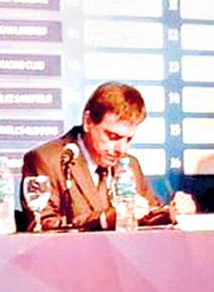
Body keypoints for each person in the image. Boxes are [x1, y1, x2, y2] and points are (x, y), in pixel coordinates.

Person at [21, 81, 197, 231]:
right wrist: (104, 219)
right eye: (113, 137)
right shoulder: (47, 160)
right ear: (88, 122)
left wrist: (171, 213)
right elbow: (42, 225)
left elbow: (146, 216)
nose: (121, 149)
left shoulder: (129, 165)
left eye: (128, 139)